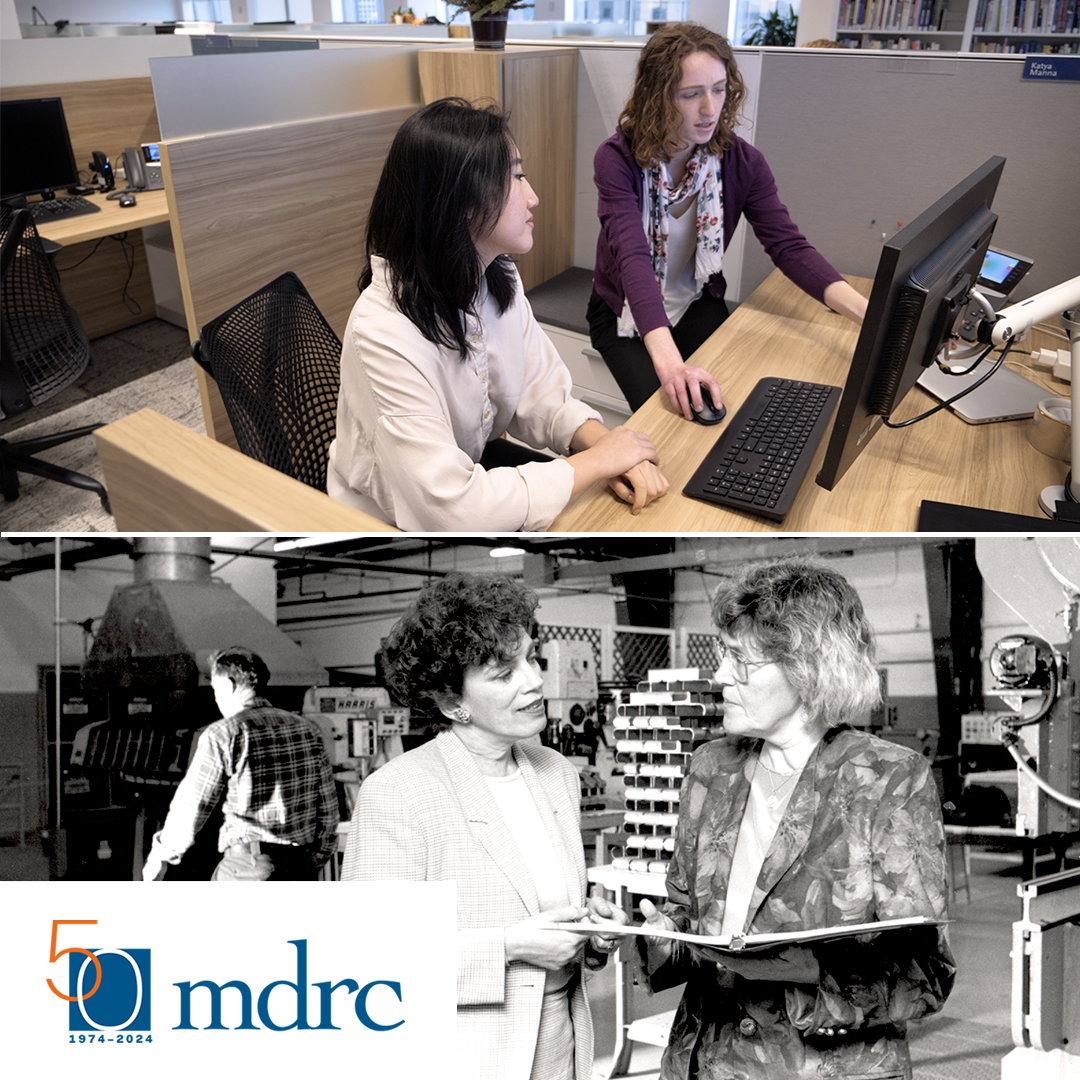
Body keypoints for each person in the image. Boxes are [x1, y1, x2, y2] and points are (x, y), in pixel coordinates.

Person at [637, 557, 955, 1079]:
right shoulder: (711, 767)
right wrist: (654, 933)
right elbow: (686, 916)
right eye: (724, 653)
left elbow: (926, 974)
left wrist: (812, 974)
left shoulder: (888, 782)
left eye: (740, 660)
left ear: (806, 670)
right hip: (707, 1061)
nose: (720, 676)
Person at [326, 97, 669, 531]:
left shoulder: (493, 273)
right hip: (389, 519)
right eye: (516, 177)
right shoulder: (383, 333)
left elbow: (537, 390)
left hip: (469, 473)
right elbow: (451, 509)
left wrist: (610, 446)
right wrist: (597, 462)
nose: (533, 196)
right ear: (461, 200)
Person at [341, 573, 625, 1080]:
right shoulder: (400, 793)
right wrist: (511, 947)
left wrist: (587, 928)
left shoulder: (556, 774)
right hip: (465, 1053)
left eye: (531, 658)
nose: (535, 681)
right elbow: (371, 961)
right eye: (503, 674)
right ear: (453, 704)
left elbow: (539, 906)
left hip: (564, 1040)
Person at [589, 23, 869, 419]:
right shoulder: (617, 160)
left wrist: (868, 315)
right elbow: (632, 258)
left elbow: (788, 247)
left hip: (695, 303)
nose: (710, 108)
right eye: (690, 95)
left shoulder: (741, 162)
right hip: (626, 315)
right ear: (657, 97)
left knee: (732, 410)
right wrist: (670, 366)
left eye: (719, 89)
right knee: (672, 419)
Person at [142, 647, 338, 882]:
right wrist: (316, 857)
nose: (216, 699)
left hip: (248, 868)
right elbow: (327, 805)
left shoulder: (223, 733)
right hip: (299, 865)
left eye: (215, 690)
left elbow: (193, 806)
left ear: (227, 685)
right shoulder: (308, 730)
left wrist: (161, 855)